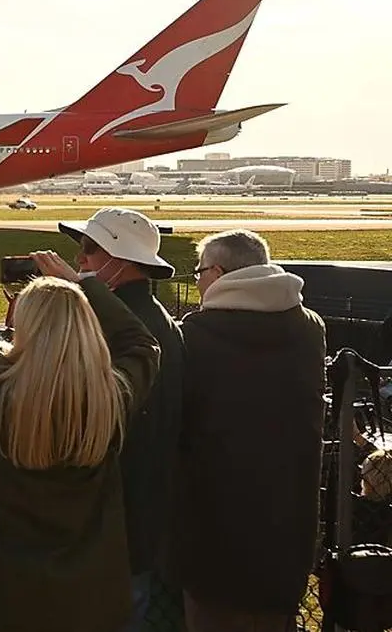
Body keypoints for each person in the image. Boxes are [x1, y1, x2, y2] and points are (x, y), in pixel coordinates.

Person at [0, 155, 160, 632]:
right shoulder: (108, 401)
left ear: (22, 329)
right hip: (82, 599)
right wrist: (88, 287)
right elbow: (142, 344)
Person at [168, 229, 326, 632]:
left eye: (200, 271)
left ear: (218, 274)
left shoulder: (196, 336)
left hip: (215, 533)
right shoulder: (309, 328)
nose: (198, 279)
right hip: (289, 526)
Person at [58, 208, 185, 631]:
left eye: (88, 250)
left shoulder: (115, 327)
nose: (80, 260)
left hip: (104, 516)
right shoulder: (162, 322)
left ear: (117, 257)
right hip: (144, 513)